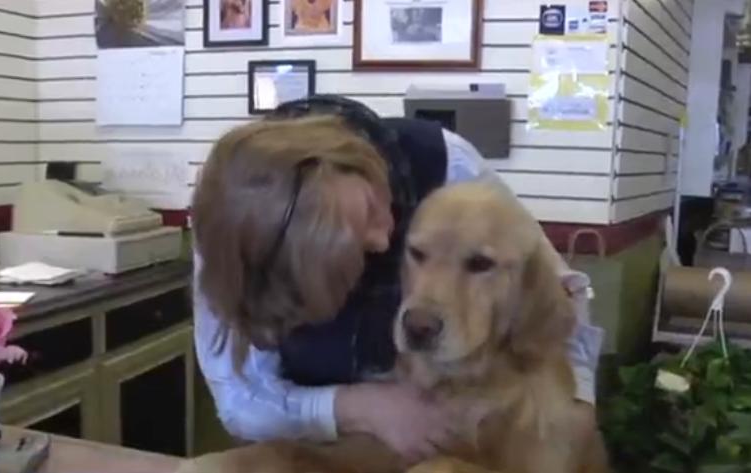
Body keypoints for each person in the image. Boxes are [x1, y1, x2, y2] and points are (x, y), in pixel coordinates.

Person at [191, 96, 603, 463]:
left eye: (371, 205)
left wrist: (580, 403)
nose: (384, 238)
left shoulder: (446, 163)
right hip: (332, 437)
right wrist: (359, 406)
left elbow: (558, 288)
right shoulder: (230, 242)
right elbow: (239, 401)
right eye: (346, 253)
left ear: (355, 159)